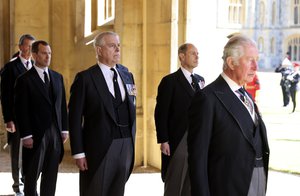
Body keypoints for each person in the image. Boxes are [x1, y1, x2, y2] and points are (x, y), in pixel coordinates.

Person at [188, 35, 270, 196]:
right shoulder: (207, 98)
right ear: (231, 63)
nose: (256, 66)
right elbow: (198, 158)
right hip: (226, 187)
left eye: (257, 59)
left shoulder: (246, 95)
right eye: (250, 60)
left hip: (257, 181)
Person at [68, 31, 136, 196]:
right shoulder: (85, 78)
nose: (117, 50)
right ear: (99, 50)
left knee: (117, 191)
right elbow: (74, 118)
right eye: (112, 46)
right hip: (98, 147)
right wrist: (78, 152)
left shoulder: (127, 75)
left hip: (126, 144)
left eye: (118, 45)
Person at [14, 40, 68, 196]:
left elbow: (62, 106)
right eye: (44, 53)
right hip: (36, 134)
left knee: (51, 174)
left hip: (55, 133)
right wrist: (26, 134)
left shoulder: (58, 77)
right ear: (34, 54)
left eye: (49, 53)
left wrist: (64, 129)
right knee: (31, 174)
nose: (48, 56)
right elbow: (21, 110)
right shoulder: (24, 80)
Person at [154, 43, 204, 196]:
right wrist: (164, 140)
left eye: (198, 53)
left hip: (197, 139)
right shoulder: (169, 81)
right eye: (193, 53)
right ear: (182, 56)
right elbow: (161, 113)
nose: (197, 56)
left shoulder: (200, 80)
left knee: (192, 183)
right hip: (177, 139)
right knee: (175, 183)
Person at [0, 34, 35, 195]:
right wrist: (8, 119)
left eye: (32, 46)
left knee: (31, 151)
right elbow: (5, 96)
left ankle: (26, 180)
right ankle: (16, 185)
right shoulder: (10, 68)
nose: (30, 49)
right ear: (20, 47)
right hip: (16, 118)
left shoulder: (35, 66)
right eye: (27, 46)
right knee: (16, 153)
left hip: (33, 119)